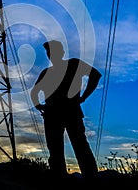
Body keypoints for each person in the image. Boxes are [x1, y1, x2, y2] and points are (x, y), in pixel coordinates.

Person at [30, 40, 102, 180]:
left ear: (61, 52)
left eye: (52, 51)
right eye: (48, 52)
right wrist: (39, 105)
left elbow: (95, 75)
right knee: (63, 149)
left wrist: (84, 97)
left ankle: (90, 180)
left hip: (66, 112)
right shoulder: (49, 71)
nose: (50, 54)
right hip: (58, 113)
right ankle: (68, 181)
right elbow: (34, 92)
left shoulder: (73, 64)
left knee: (77, 147)